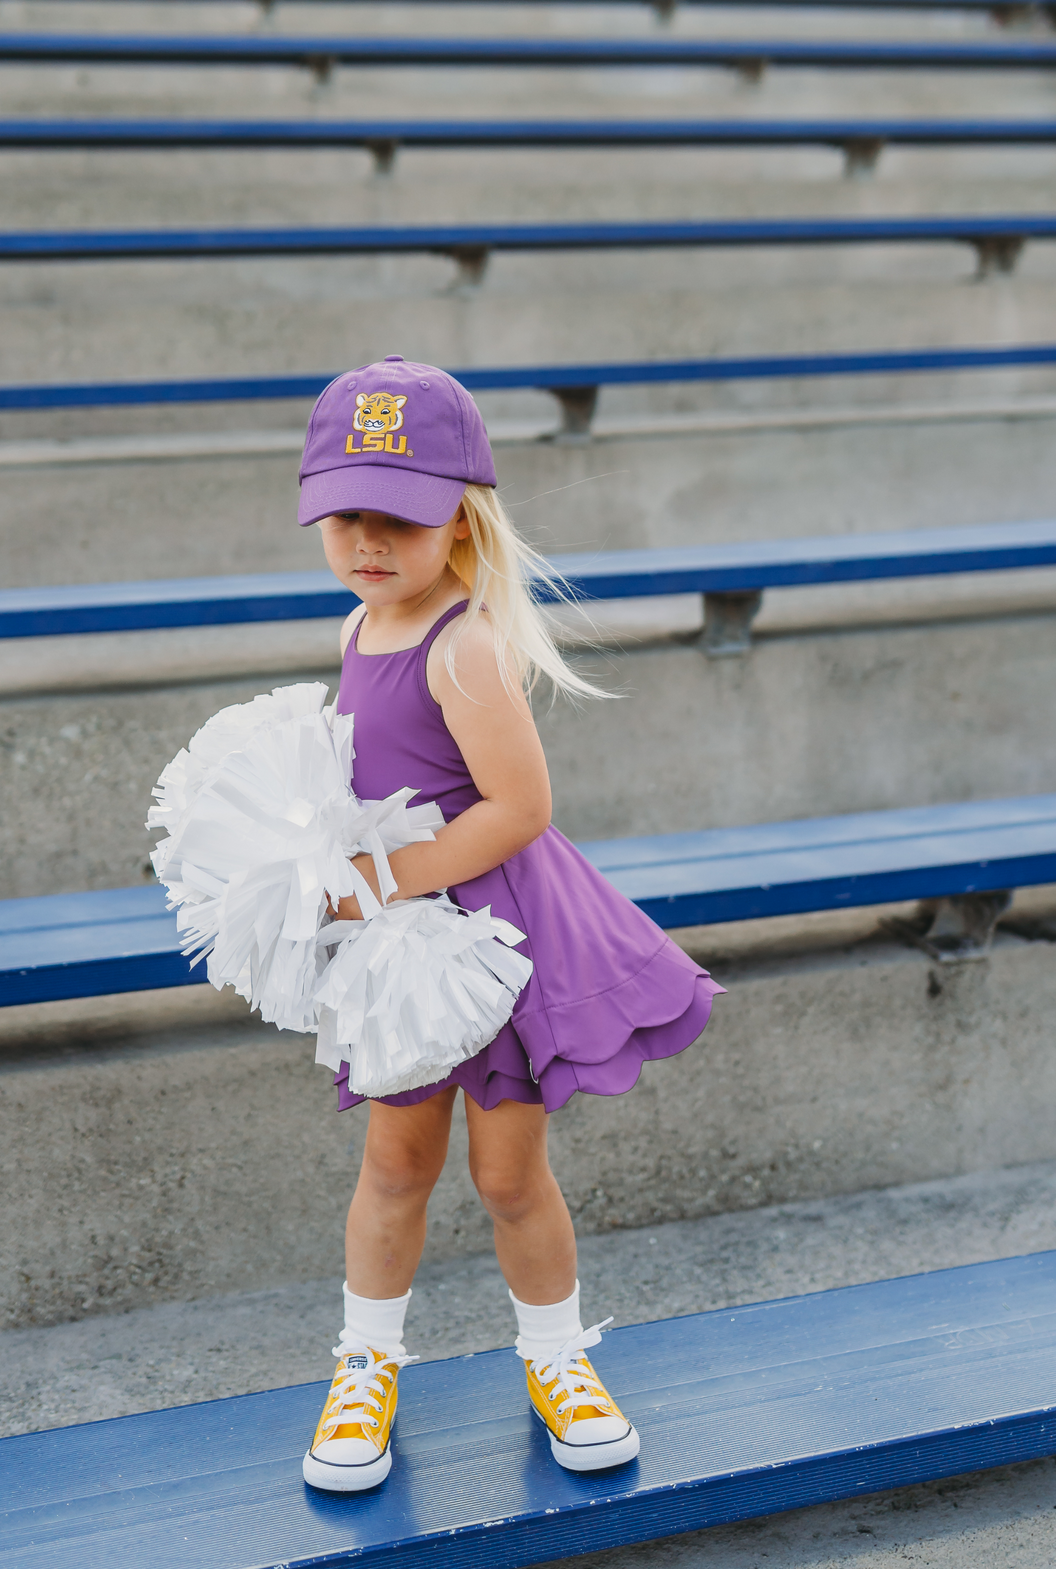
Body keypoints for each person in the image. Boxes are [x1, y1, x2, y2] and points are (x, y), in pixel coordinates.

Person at [297, 356, 722, 1493]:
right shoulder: (355, 629)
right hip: (399, 953)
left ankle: (556, 1359)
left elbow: (521, 810)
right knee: (393, 1162)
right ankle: (365, 1363)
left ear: (461, 520)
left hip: (488, 949)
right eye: (345, 512)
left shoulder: (462, 642)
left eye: (401, 515)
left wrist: (381, 879)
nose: (368, 538)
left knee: (506, 1173)